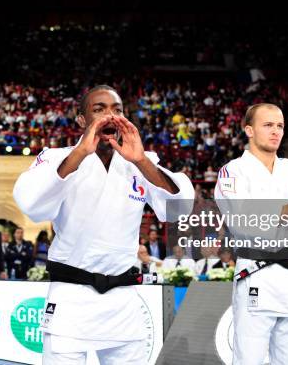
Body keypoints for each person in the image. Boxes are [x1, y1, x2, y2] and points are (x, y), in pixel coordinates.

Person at [13, 85, 194, 364]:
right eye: (99, 109)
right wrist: (79, 153)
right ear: (81, 119)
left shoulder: (141, 162)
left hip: (123, 301)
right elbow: (31, 204)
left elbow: (180, 209)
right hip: (71, 298)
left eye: (117, 110)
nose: (110, 116)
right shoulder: (56, 158)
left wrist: (142, 160)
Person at [214, 103, 288, 365]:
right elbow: (242, 221)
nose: (276, 131)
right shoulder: (232, 172)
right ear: (249, 130)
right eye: (268, 125)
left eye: (279, 125)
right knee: (249, 360)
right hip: (258, 274)